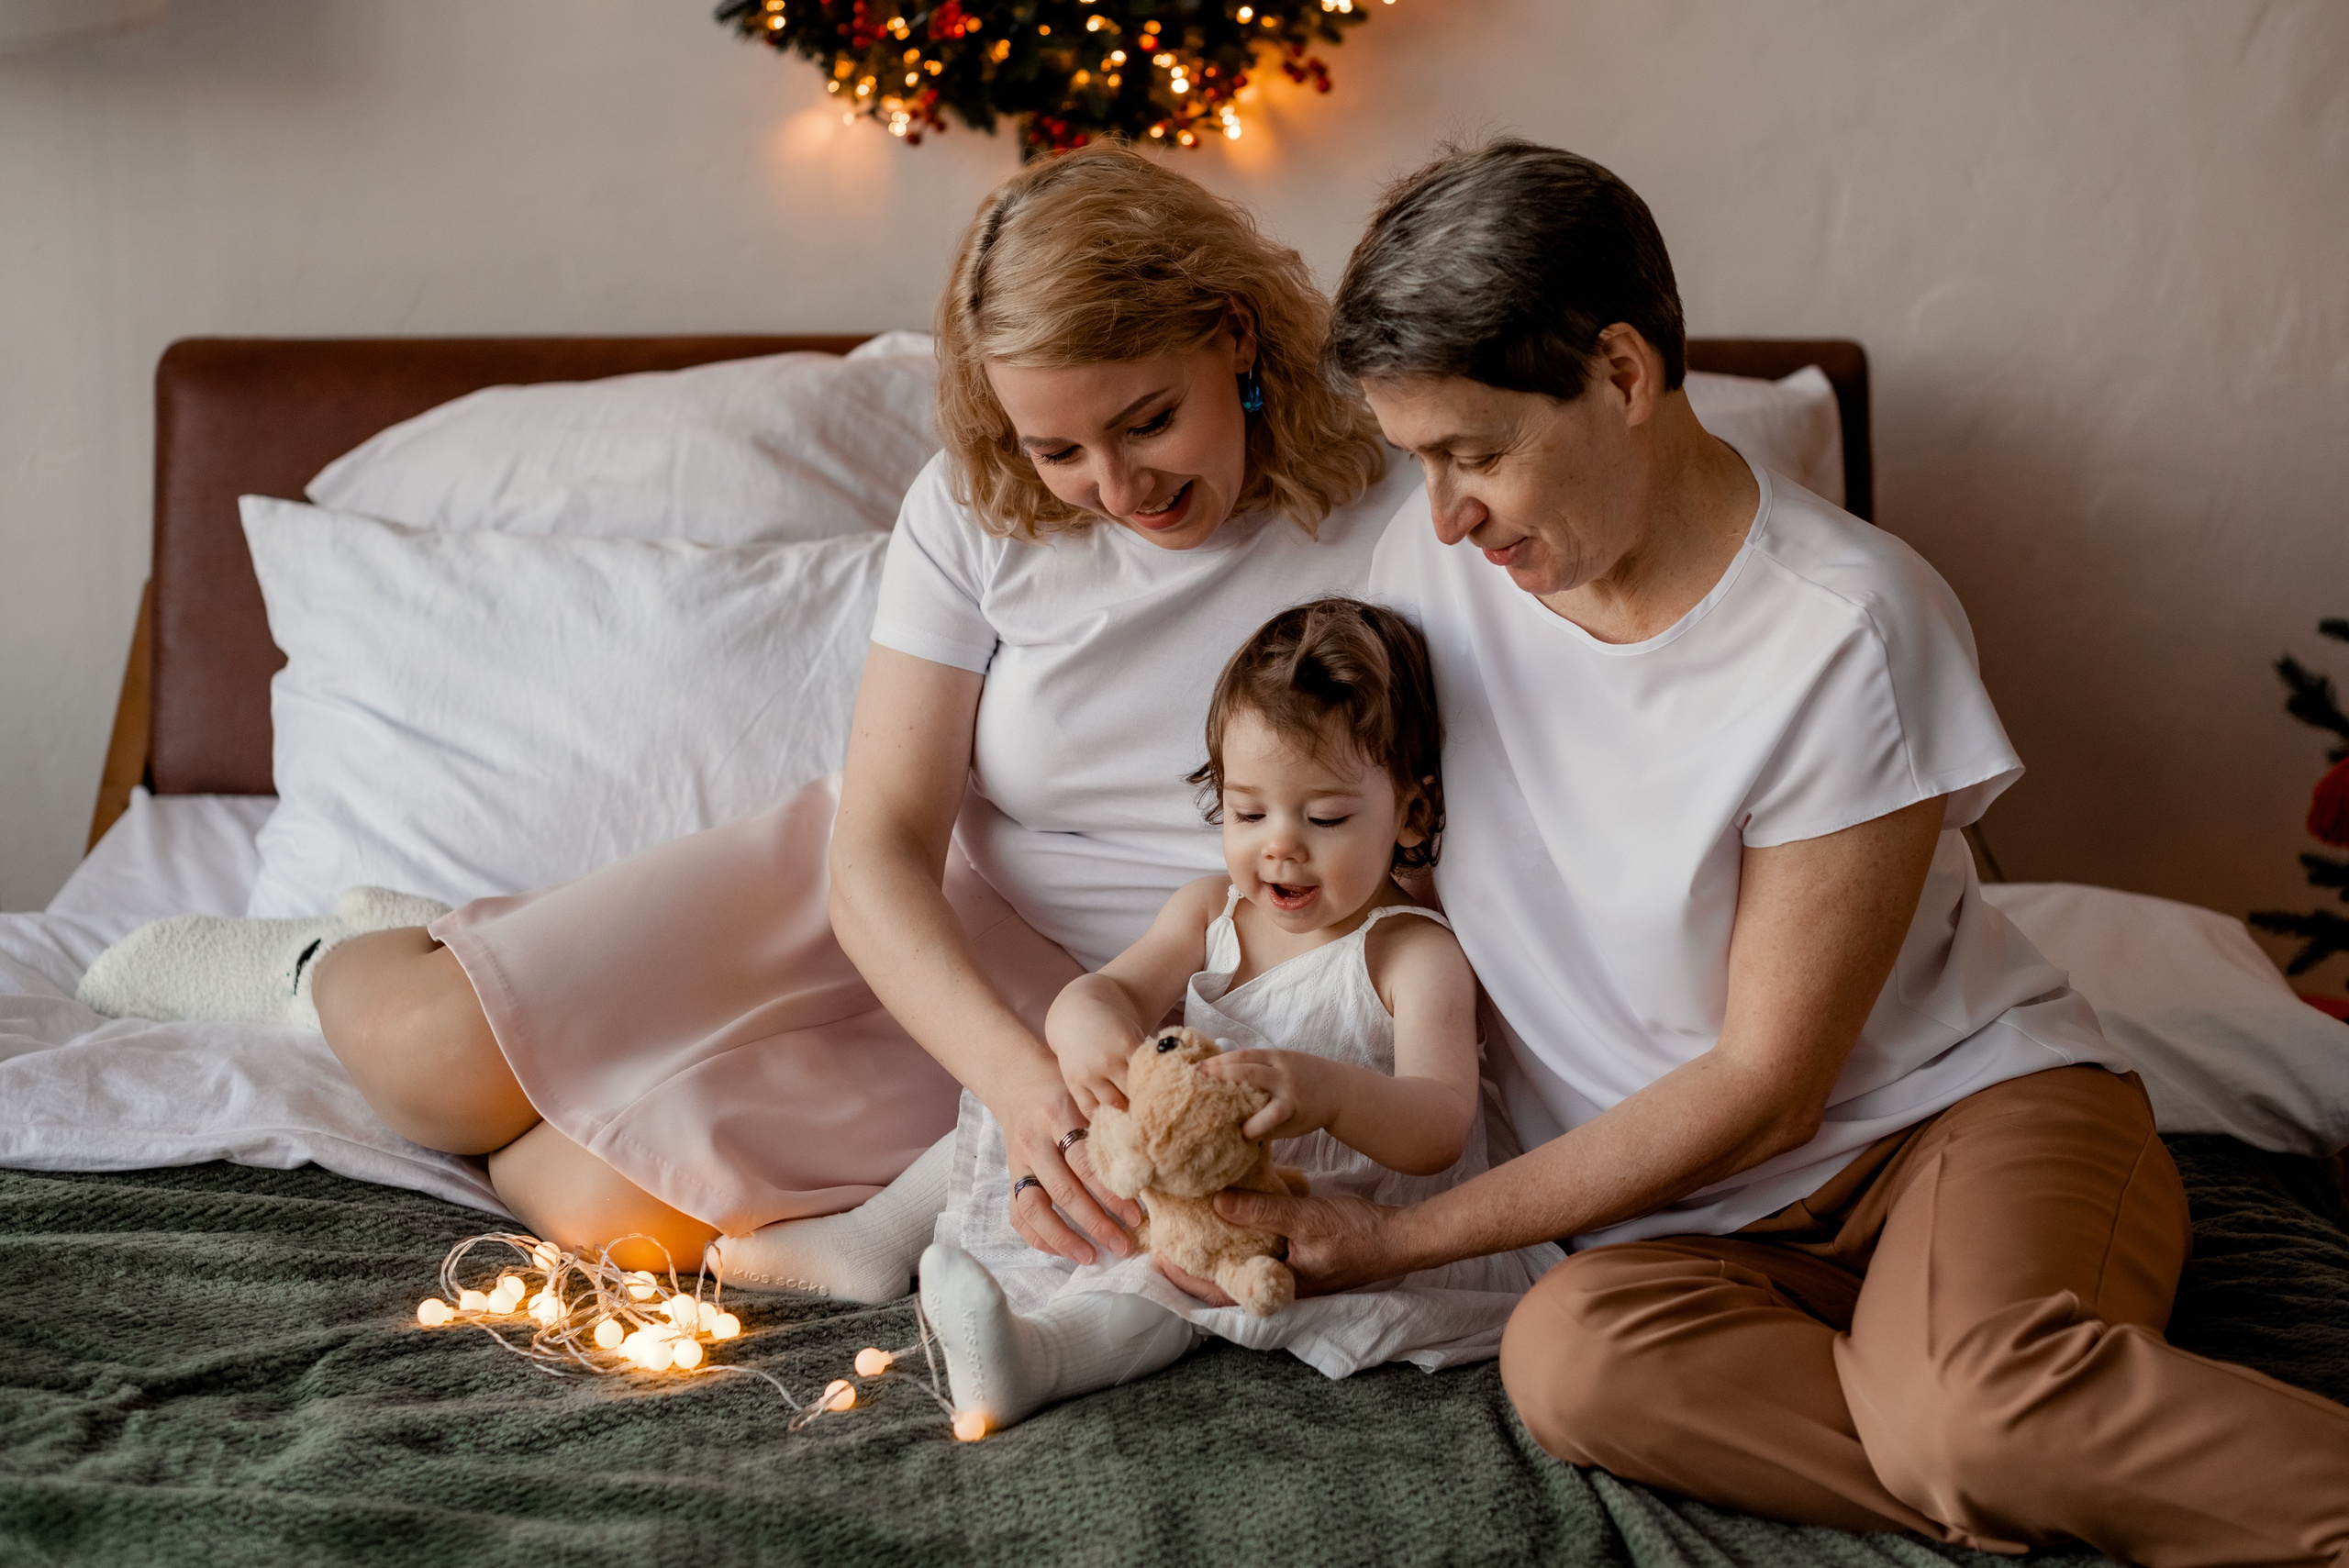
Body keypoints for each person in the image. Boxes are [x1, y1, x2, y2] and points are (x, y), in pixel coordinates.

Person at [1165, 139, 2349, 1566]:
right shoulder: (1439, 574)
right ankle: (2007, 1457)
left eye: (1477, 453)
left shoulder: (1844, 627)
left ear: (1621, 374)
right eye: (1419, 460)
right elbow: (1340, 849)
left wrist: (1399, 1242)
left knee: (1971, 1415)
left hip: (1942, 1129)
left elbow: (1767, 1085)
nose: (1445, 512)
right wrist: (1185, 1078)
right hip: (1690, 1236)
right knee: (1572, 1364)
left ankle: (1987, 1429)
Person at [78, 143, 1417, 1284]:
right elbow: (886, 840)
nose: (1113, 485)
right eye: (1055, 448)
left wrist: (1068, 1083)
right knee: (431, 1064)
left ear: (1234, 335)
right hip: (906, 904)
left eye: (1146, 421)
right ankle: (336, 957)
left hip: (1143, 1004)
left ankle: (497, 974)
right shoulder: (976, 505)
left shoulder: (1388, 513)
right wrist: (1013, 1086)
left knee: (612, 1219)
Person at [917, 597, 1559, 1432]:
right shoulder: (1207, 913)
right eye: (1249, 811)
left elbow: (1440, 1122)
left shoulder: (1410, 953)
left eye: (1324, 818)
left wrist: (1326, 1093)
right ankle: (873, 1237)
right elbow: (1103, 992)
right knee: (1022, 1113)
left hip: (1323, 1218)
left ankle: (1036, 1358)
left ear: (1409, 812)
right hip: (1192, 1174)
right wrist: (1089, 1026)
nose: (1278, 846)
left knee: (1158, 1290)